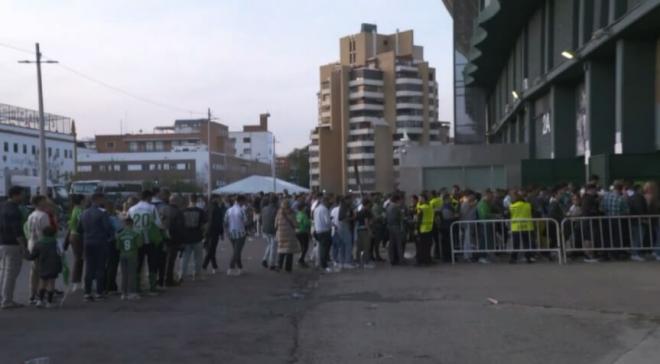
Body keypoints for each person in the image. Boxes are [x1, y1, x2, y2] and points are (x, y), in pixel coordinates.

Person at [78, 193, 114, 301]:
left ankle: (87, 292)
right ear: (98, 199)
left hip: (88, 242)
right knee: (100, 268)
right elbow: (107, 227)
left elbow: (79, 229)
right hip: (100, 242)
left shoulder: (84, 213)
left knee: (89, 267)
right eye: (103, 199)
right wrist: (110, 236)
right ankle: (99, 292)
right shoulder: (102, 213)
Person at [128, 190, 163, 295]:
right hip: (150, 239)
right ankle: (152, 287)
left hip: (137, 239)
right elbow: (158, 224)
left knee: (138, 263)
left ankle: (137, 287)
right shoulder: (151, 208)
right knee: (152, 263)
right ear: (149, 197)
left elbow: (128, 223)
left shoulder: (132, 209)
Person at [0, 186, 27, 309]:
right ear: (15, 195)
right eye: (22, 194)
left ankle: (4, 298)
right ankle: (7, 300)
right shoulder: (14, 210)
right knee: (11, 273)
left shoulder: (2, 206)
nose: (23, 196)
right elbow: (17, 231)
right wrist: (23, 246)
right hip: (12, 244)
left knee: (4, 272)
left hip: (2, 243)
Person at [25, 195, 52, 305]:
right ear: (39, 203)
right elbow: (47, 232)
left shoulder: (31, 215)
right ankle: (41, 294)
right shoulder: (44, 215)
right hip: (42, 244)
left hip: (32, 243)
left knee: (34, 271)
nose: (46, 202)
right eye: (44, 201)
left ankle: (32, 294)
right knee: (44, 271)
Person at [26, 226, 62, 308]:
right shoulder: (56, 242)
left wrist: (25, 253)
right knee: (51, 283)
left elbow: (32, 256)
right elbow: (61, 253)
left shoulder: (38, 243)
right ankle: (49, 302)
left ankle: (40, 301)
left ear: (43, 234)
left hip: (42, 266)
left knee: (42, 283)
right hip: (54, 266)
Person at [180, 195, 207, 281]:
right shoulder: (201, 211)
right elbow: (204, 225)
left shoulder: (183, 211)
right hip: (197, 236)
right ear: (197, 200)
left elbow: (180, 224)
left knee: (185, 257)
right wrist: (203, 234)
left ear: (189, 200)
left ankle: (182, 274)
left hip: (186, 237)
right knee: (198, 257)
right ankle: (196, 274)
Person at [116, 217, 143, 300]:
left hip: (123, 255)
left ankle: (123, 293)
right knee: (132, 274)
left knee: (124, 274)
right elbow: (139, 245)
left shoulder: (120, 234)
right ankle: (132, 292)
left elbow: (117, 247)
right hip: (132, 255)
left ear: (124, 224)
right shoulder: (136, 234)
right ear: (132, 224)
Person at [509, 192, 535, 264]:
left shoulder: (512, 206)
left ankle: (513, 258)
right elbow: (533, 212)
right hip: (527, 226)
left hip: (516, 227)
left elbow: (508, 215)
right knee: (526, 243)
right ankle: (528, 257)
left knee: (516, 244)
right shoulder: (528, 205)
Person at [66, 194, 85, 292]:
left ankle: (77, 282)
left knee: (79, 259)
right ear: (82, 201)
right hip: (78, 236)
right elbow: (80, 224)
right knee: (79, 259)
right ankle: (76, 282)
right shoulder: (79, 210)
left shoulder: (74, 209)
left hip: (74, 235)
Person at [225, 195, 247, 276]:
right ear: (241, 201)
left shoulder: (229, 210)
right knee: (237, 252)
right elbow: (246, 221)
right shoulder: (242, 210)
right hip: (240, 233)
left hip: (231, 233)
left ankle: (240, 268)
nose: (244, 203)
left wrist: (227, 231)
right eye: (244, 201)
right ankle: (231, 268)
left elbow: (225, 221)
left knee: (236, 251)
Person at [204, 195, 226, 274]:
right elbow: (218, 222)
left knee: (210, 249)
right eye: (218, 198)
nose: (219, 200)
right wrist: (221, 233)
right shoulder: (217, 209)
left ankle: (215, 266)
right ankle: (204, 266)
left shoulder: (207, 207)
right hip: (214, 231)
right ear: (215, 199)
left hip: (207, 231)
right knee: (211, 250)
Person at [275, 200, 299, 273]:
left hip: (281, 234)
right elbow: (295, 224)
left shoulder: (279, 213)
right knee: (289, 251)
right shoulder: (291, 213)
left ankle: (279, 266)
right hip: (290, 234)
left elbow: (275, 224)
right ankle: (288, 268)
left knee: (281, 250)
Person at [313, 196, 333, 272]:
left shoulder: (316, 209)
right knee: (324, 249)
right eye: (328, 202)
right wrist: (331, 225)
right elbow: (327, 221)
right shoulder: (324, 209)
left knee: (321, 247)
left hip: (318, 230)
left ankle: (322, 263)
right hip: (324, 231)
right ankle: (324, 265)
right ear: (325, 202)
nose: (329, 204)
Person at [476, 190, 494, 264]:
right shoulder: (482, 204)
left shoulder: (487, 203)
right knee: (483, 240)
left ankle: (486, 255)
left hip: (487, 224)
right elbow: (484, 215)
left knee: (487, 240)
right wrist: (494, 216)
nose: (492, 198)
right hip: (484, 224)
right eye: (490, 196)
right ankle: (482, 256)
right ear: (486, 195)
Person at [355, 199, 374, 268]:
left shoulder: (359, 212)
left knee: (359, 247)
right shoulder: (366, 212)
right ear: (368, 204)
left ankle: (358, 262)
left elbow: (356, 221)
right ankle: (366, 262)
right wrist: (370, 231)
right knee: (366, 247)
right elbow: (366, 222)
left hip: (359, 230)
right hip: (365, 231)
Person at [261, 195, 279, 270]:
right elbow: (277, 220)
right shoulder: (276, 209)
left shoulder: (264, 208)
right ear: (276, 201)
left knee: (269, 244)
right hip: (273, 230)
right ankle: (272, 264)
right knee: (273, 247)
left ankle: (264, 259)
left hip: (265, 229)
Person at [415, 195, 434, 265]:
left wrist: (416, 228)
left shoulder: (422, 208)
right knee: (427, 246)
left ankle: (420, 260)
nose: (419, 200)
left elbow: (418, 219)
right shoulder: (430, 207)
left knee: (420, 246)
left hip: (422, 229)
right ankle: (427, 260)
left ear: (423, 199)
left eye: (420, 198)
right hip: (429, 228)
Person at [385, 193, 404, 265]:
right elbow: (401, 217)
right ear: (397, 200)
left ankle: (391, 259)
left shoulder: (388, 206)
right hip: (396, 226)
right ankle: (401, 260)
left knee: (391, 244)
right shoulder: (396, 207)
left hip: (389, 226)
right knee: (399, 244)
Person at [295, 202, 311, 268]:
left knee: (302, 246)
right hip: (303, 232)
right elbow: (307, 224)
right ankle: (301, 259)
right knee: (305, 247)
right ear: (302, 208)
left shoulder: (297, 214)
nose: (306, 208)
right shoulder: (304, 215)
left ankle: (301, 259)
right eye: (305, 207)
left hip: (297, 232)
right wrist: (310, 222)